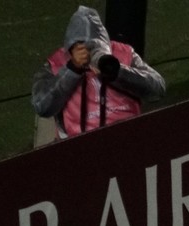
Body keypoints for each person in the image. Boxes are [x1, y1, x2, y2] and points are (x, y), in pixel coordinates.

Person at [32, 6, 165, 140]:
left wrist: (117, 72)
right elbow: (42, 106)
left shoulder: (123, 53)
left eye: (95, 47)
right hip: (77, 148)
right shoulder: (55, 63)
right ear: (71, 47)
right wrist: (72, 69)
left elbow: (157, 89)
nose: (89, 54)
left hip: (128, 140)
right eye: (84, 48)